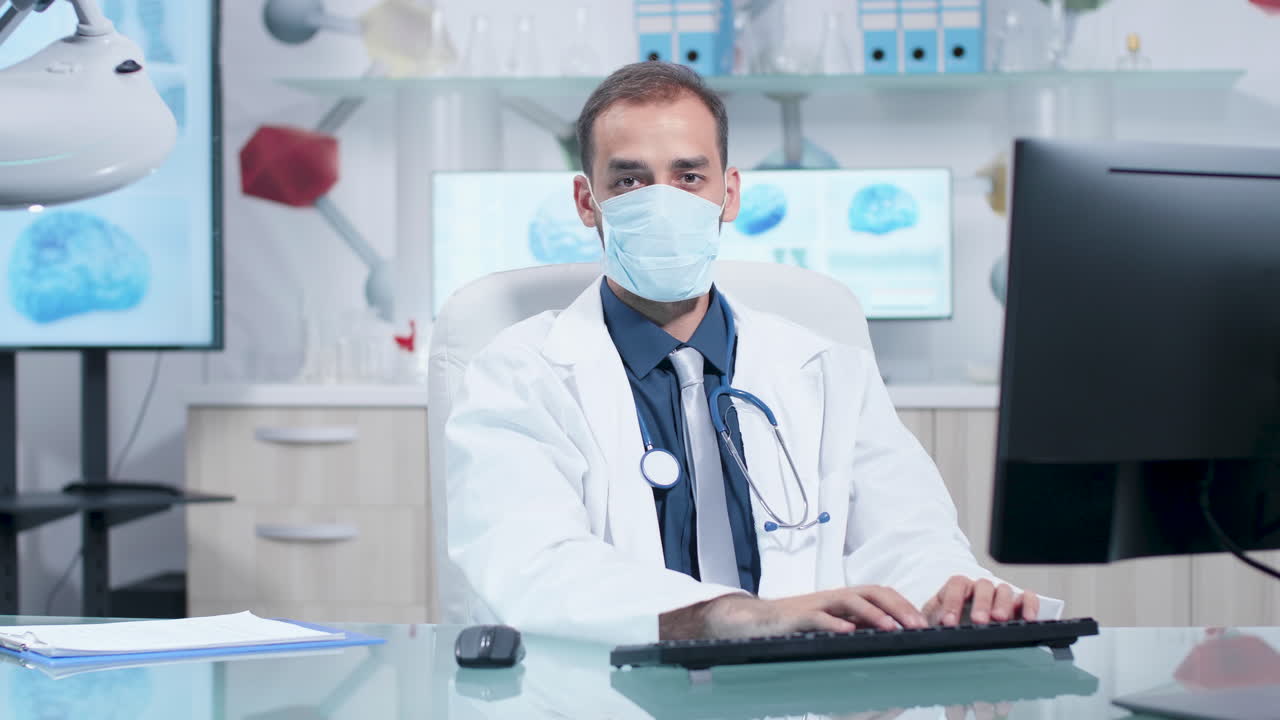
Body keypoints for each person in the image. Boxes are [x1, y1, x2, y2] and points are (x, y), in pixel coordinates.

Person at [445, 62, 1058, 644]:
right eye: (630, 180)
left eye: (689, 176)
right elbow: (534, 566)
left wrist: (955, 597)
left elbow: (909, 537)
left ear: (729, 193)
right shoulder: (519, 373)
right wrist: (730, 616)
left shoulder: (827, 367)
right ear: (587, 202)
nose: (663, 202)